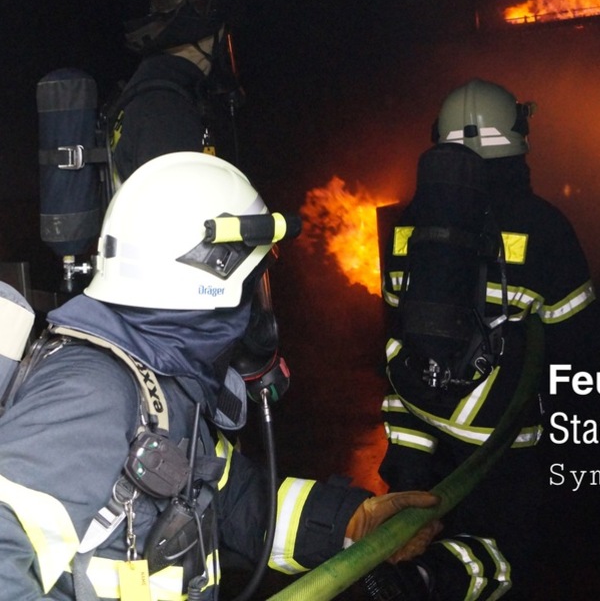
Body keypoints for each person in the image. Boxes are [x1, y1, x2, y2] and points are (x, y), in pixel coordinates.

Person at [0, 151, 440, 600]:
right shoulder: (94, 392)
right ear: (211, 277)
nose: (257, 312)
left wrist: (349, 523)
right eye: (251, 286)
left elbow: (233, 500)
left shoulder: (166, 386)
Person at [376, 79, 597, 600]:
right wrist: (578, 472)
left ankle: (419, 572)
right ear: (518, 136)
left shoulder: (408, 224)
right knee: (509, 553)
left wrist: (407, 466)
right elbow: (579, 360)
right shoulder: (544, 226)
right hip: (500, 442)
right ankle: (431, 579)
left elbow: (396, 328)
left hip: (418, 428)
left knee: (422, 531)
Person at [108, 0, 244, 192]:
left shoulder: (147, 87)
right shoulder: (166, 110)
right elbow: (176, 204)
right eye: (221, 36)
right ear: (207, 39)